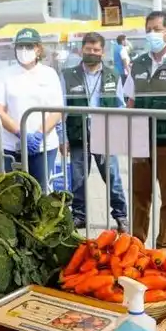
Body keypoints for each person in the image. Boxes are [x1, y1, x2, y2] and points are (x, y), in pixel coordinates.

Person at [120, 11, 166, 251]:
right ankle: (136, 243)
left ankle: (164, 246)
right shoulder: (139, 62)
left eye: (157, 29)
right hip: (141, 139)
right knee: (139, 194)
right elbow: (130, 101)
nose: (151, 34)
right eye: (149, 30)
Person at [60, 32, 129, 232]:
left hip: (104, 132)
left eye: (96, 50)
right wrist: (63, 137)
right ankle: (79, 215)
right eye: (88, 49)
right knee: (78, 177)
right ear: (81, 49)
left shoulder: (112, 74)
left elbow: (120, 106)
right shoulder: (68, 75)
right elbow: (62, 108)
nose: (92, 53)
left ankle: (121, 215)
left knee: (113, 176)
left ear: (102, 51)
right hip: (77, 131)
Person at [0, 28, 64, 191]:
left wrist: (38, 135)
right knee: (14, 194)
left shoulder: (49, 74)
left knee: (40, 192)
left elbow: (57, 110)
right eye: (20, 46)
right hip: (12, 146)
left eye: (29, 46)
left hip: (43, 146)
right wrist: (21, 133)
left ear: (38, 48)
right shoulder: (5, 74)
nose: (24, 50)